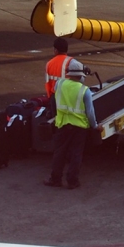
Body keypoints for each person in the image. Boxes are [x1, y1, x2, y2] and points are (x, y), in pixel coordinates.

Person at [44, 60, 96, 190]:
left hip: (62, 124)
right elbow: (90, 113)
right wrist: (94, 126)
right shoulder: (85, 91)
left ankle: (55, 179)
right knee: (76, 154)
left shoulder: (59, 84)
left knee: (59, 152)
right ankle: (72, 181)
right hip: (79, 127)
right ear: (81, 75)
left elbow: (54, 101)